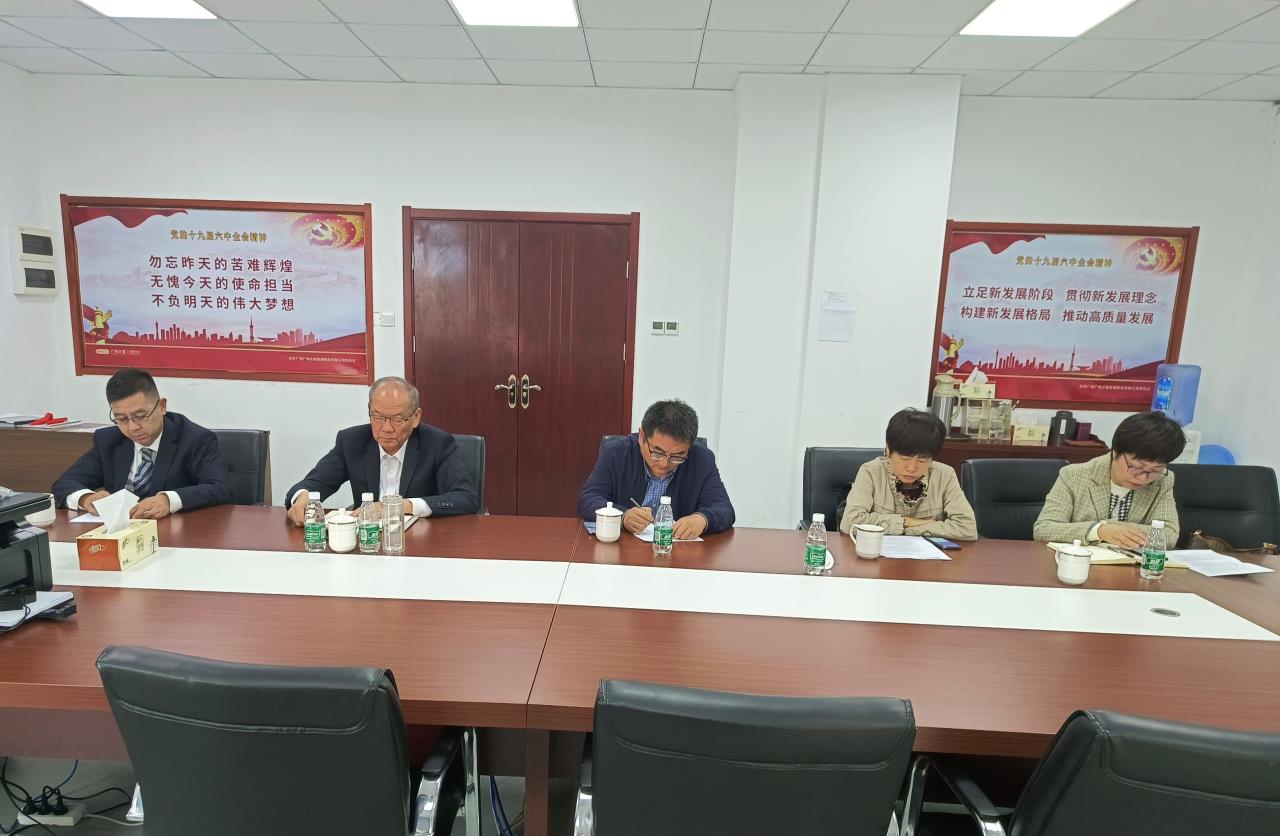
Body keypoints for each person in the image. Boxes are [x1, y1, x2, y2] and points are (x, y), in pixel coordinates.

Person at [286, 376, 477, 525]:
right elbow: (312, 483)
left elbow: (465, 498)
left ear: (416, 417)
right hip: (368, 541)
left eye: (397, 419)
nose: (386, 428)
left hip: (421, 540)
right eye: (378, 417)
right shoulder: (351, 441)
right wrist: (303, 497)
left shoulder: (437, 443)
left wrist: (401, 506)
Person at [52, 368, 232, 519]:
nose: (132, 427)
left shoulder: (195, 439)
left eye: (140, 416)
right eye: (122, 418)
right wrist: (86, 498)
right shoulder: (108, 440)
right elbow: (65, 483)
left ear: (162, 406)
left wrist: (168, 500)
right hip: (121, 533)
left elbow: (220, 487)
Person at [578, 399, 735, 539]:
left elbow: (724, 508)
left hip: (677, 551)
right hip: (624, 549)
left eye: (678, 456)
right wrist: (624, 516)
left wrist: (702, 520)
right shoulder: (616, 453)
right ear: (642, 436)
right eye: (657, 453)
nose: (665, 463)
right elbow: (589, 498)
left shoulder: (702, 460)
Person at [1034, 411, 1184, 547]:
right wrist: (1099, 531)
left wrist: (1112, 528)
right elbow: (1044, 529)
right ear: (1116, 451)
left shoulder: (1163, 480)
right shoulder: (1074, 476)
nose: (1142, 478)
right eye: (1136, 467)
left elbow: (1169, 534)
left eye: (1155, 470)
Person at [839, 408, 977, 540]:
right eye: (905, 458)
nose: (912, 468)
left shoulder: (945, 475)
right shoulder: (871, 472)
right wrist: (907, 522)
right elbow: (849, 523)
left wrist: (910, 529)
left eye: (922, 460)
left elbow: (967, 528)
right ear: (888, 449)